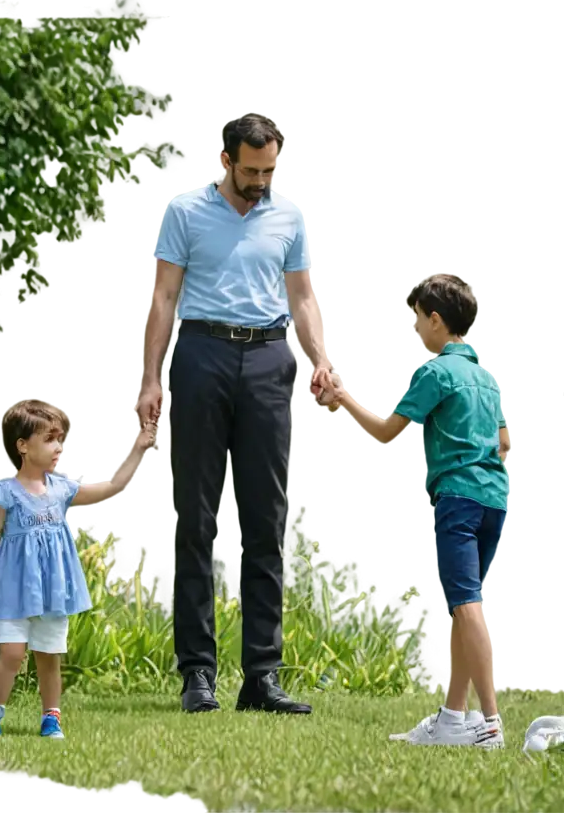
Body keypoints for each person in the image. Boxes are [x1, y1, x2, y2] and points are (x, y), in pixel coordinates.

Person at [135, 112, 332, 715]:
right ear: (226, 160)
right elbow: (163, 295)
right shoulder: (184, 212)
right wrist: (148, 376)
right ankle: (198, 674)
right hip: (201, 354)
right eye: (251, 170)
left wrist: (320, 360)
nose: (261, 181)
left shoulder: (290, 216)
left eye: (270, 169)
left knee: (264, 520)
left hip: (269, 357)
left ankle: (262, 678)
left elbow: (302, 296)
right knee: (194, 517)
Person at [319, 273, 512, 748]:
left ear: (435, 320)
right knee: (457, 610)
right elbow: (504, 443)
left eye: (417, 322)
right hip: (493, 499)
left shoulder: (437, 372)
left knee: (466, 606)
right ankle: (453, 719)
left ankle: (489, 723)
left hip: (458, 500)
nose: (415, 331)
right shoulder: (487, 376)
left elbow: (388, 432)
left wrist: (343, 400)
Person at [0, 399, 156, 738]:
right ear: (23, 446)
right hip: (11, 589)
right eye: (50, 439)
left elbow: (111, 488)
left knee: (49, 656)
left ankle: (50, 718)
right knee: (10, 654)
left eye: (60, 439)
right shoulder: (5, 494)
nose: (59, 448)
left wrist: (138, 450)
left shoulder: (62, 490)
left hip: (52, 590)